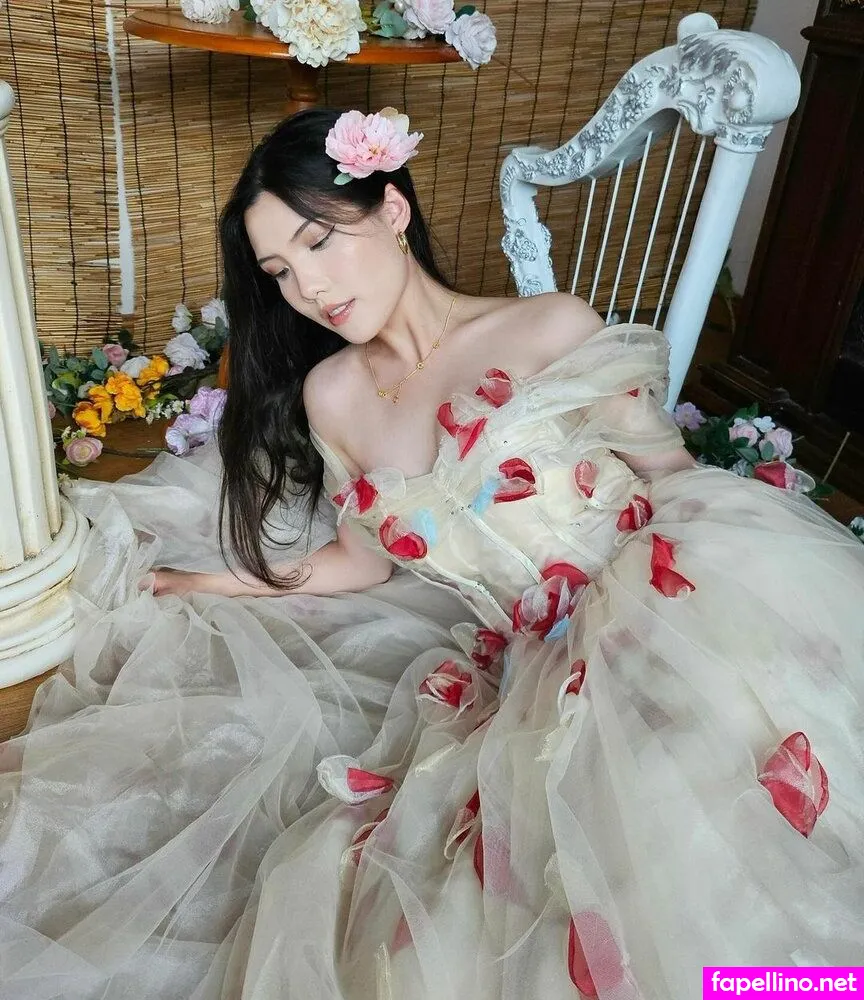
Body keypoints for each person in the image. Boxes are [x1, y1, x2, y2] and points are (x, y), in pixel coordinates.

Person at [1, 107, 862, 999]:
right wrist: (210, 582)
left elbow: (672, 475)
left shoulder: (548, 328)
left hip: (669, 600)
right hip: (536, 669)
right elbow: (363, 562)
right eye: (280, 271)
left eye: (319, 242)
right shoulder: (334, 394)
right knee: (536, 890)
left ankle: (796, 979)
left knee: (727, 816)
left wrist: (725, 609)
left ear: (392, 210)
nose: (309, 287)